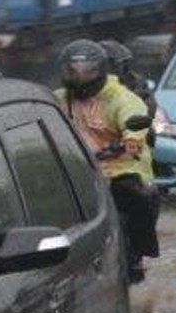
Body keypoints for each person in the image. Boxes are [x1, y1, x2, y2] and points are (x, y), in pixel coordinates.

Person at [55, 39, 159, 284]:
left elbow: (135, 114)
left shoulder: (119, 96)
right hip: (75, 170)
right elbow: (38, 114)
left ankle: (136, 255)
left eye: (87, 72)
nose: (80, 78)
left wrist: (131, 139)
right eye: (73, 72)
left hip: (120, 165)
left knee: (136, 196)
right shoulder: (58, 99)